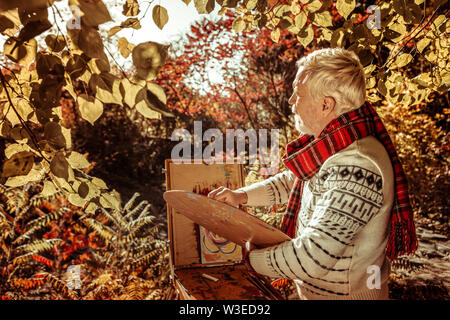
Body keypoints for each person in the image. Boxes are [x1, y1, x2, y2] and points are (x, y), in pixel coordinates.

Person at [208, 48, 417, 300]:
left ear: (326, 104)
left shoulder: (356, 165)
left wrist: (249, 261)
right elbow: (295, 181)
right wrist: (240, 195)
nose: (291, 100)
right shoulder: (334, 144)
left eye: (298, 92)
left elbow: (313, 256)